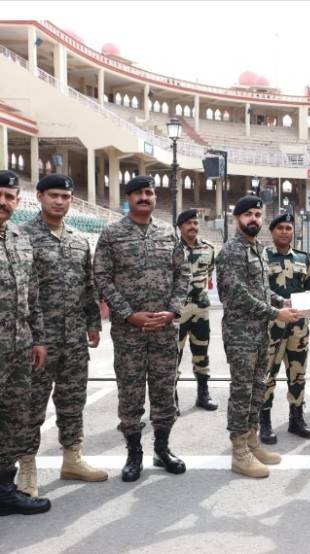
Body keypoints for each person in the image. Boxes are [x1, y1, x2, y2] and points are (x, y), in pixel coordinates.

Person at [93, 175, 189, 482]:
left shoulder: (167, 232)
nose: (144, 197)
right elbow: (102, 277)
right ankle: (134, 453)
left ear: (154, 197)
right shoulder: (112, 233)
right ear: (129, 198)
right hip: (128, 331)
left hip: (163, 329)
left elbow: (182, 274)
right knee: (131, 393)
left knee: (164, 390)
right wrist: (128, 314)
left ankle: (162, 449)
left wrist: (173, 310)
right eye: (138, 193)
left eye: (149, 192)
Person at [18, 174, 107, 499]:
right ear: (39, 197)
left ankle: (72, 457)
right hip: (38, 339)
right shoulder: (21, 236)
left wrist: (93, 323)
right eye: (53, 195)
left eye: (65, 196)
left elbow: (88, 286)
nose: (60, 201)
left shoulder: (78, 240)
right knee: (32, 404)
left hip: (73, 337)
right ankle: (27, 464)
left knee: (72, 400)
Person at [216, 196, 298, 478]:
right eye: (248, 214)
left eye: (258, 214)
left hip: (259, 331)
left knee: (257, 387)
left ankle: (252, 442)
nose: (254, 219)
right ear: (236, 218)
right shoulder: (231, 251)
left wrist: (282, 302)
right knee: (241, 391)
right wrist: (276, 313)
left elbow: (261, 289)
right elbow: (238, 295)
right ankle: (239, 452)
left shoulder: (257, 248)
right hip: (240, 333)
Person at [0, 170, 50, 516]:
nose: (4, 202)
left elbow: (32, 295)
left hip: (18, 349)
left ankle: (5, 489)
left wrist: (39, 340)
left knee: (14, 419)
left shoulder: (19, 238)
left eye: (10, 197)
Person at [259, 212, 310, 444]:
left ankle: (296, 419)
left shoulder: (303, 259)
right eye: (280, 228)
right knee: (267, 376)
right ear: (272, 232)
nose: (284, 231)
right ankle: (264, 422)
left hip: (299, 328)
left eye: (288, 228)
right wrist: (280, 302)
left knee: (298, 374)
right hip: (272, 326)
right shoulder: (262, 258)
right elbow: (260, 288)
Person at [175, 208, 218, 413]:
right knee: (173, 354)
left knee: (201, 353)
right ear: (180, 226)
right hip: (178, 311)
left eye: (195, 223)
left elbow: (208, 274)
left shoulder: (208, 249)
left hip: (201, 310)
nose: (193, 226)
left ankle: (203, 394)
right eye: (188, 223)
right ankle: (171, 399)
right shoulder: (171, 249)